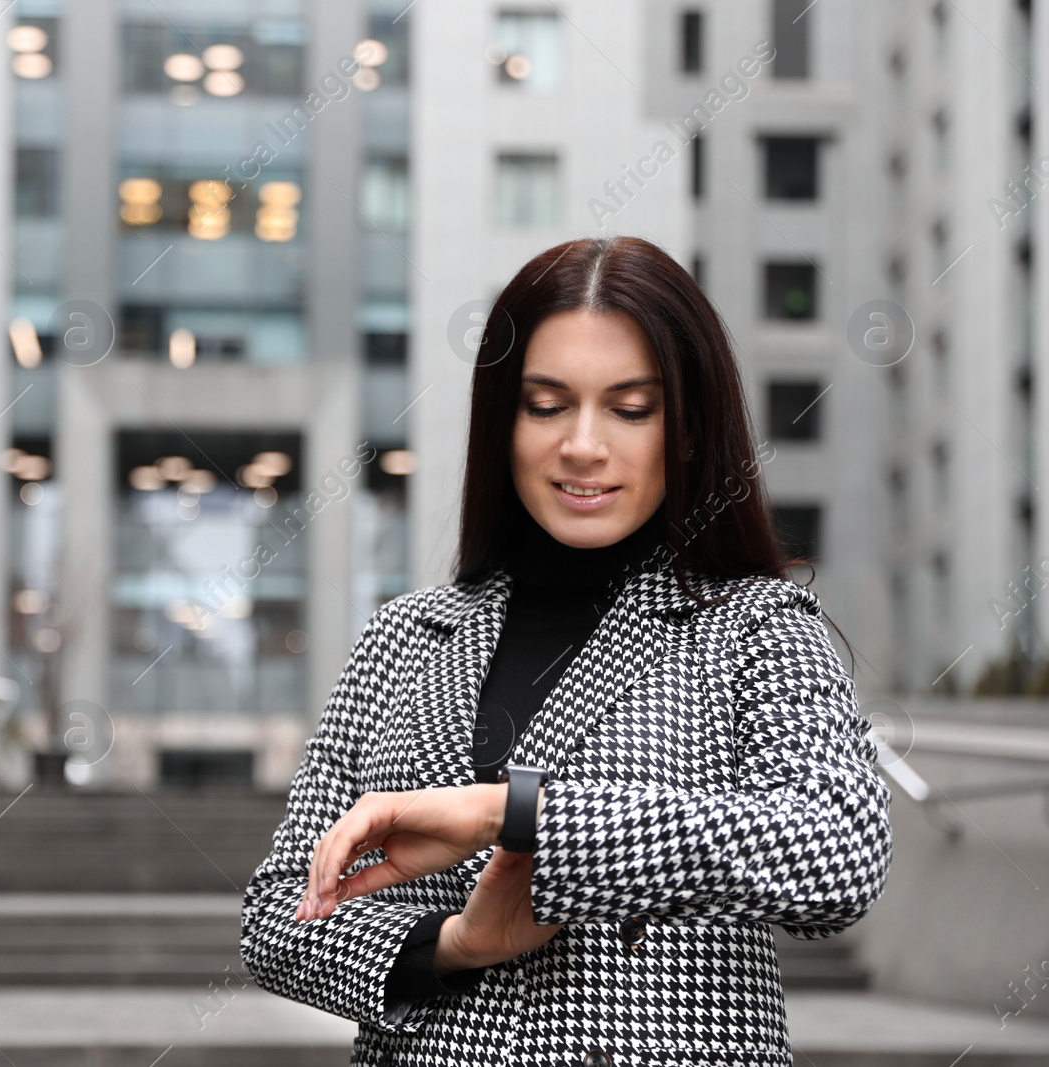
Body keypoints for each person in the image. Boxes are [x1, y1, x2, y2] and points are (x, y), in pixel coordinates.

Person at [239, 235, 893, 1066]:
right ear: (502, 422)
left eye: (630, 408)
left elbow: (837, 850)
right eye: (547, 405)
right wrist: (454, 945)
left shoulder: (756, 626)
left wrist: (515, 815)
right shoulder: (404, 636)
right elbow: (275, 915)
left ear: (687, 429)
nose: (583, 445)